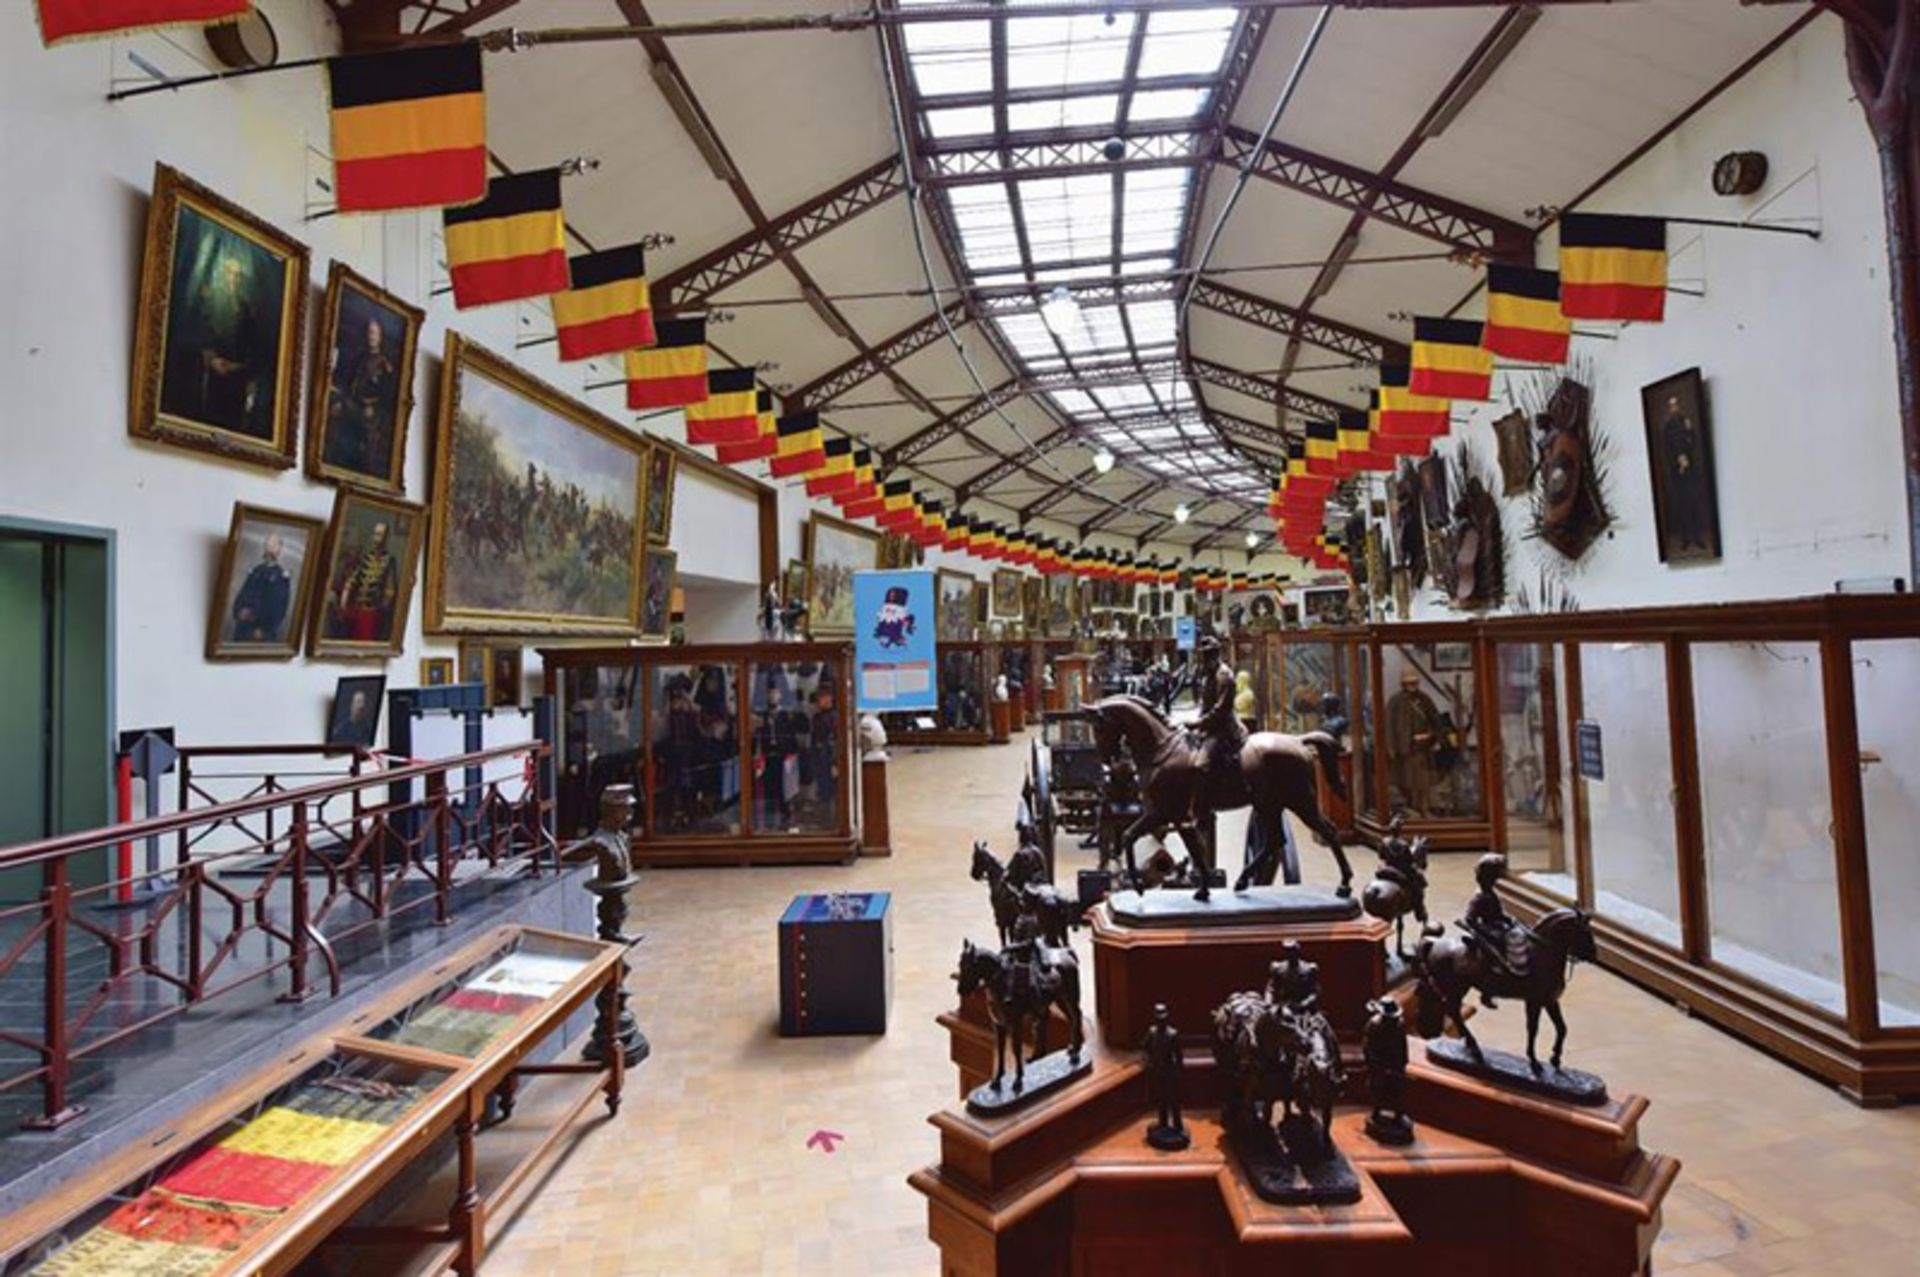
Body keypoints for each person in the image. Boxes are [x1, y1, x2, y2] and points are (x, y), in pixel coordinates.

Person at [324, 313, 399, 477]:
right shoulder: (358, 358)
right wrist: (340, 402)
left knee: (362, 458)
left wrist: (373, 409)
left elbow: (388, 398)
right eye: (368, 332)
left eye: (374, 333)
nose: (370, 336)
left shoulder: (385, 365)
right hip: (351, 408)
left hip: (369, 418)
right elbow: (349, 386)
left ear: (380, 336)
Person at [1460, 853, 1531, 1008]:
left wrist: (1509, 919)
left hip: (1497, 926)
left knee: (1522, 934)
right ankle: (1489, 990)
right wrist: (1485, 931)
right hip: (1488, 930)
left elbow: (1497, 913)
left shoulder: (1491, 893)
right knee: (1496, 954)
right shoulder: (1479, 897)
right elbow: (1469, 919)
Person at [327, 520, 399, 643]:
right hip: (357, 611)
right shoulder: (366, 557)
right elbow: (351, 582)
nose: (376, 539)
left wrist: (381, 612)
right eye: (375, 534)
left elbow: (390, 591)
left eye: (380, 535)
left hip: (374, 615)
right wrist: (344, 603)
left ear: (386, 538)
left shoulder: (390, 561)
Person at [1386, 667, 1442, 814]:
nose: (1412, 685)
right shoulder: (1395, 701)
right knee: (1405, 782)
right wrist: (1391, 748)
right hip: (1403, 749)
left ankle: (1422, 809)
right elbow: (1389, 726)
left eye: (1414, 682)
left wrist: (1430, 736)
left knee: (1422, 783)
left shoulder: (1424, 699)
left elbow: (1436, 721)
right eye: (1409, 682)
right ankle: (1411, 809)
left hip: (1422, 748)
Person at [1660, 393, 1712, 552]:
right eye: (1671, 405)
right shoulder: (1668, 426)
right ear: (1669, 409)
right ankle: (1686, 538)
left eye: (1676, 405)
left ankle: (1697, 537)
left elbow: (1693, 443)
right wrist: (1678, 461)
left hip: (1691, 469)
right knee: (1681, 505)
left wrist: (1689, 434)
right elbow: (1667, 448)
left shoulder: (1685, 422)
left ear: (1679, 407)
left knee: (1694, 502)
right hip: (1677, 472)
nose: (1674, 408)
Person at [228, 530, 291, 643]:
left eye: (272, 545)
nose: (268, 548)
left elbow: (278, 609)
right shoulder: (256, 571)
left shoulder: (281, 577)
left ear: (279, 550)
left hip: (261, 633)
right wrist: (239, 612)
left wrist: (264, 630)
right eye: (267, 545)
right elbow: (242, 594)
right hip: (243, 629)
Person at [1142, 1003, 1188, 1150]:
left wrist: (1179, 1071)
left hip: (1170, 1072)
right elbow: (1145, 1046)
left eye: (1163, 1018)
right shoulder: (1152, 1032)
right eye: (1158, 1019)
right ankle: (1163, 1123)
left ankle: (1177, 1125)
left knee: (1173, 1100)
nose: (1161, 1021)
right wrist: (1149, 1062)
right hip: (1158, 1071)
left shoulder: (1173, 1034)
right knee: (1161, 1099)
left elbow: (1179, 1055)